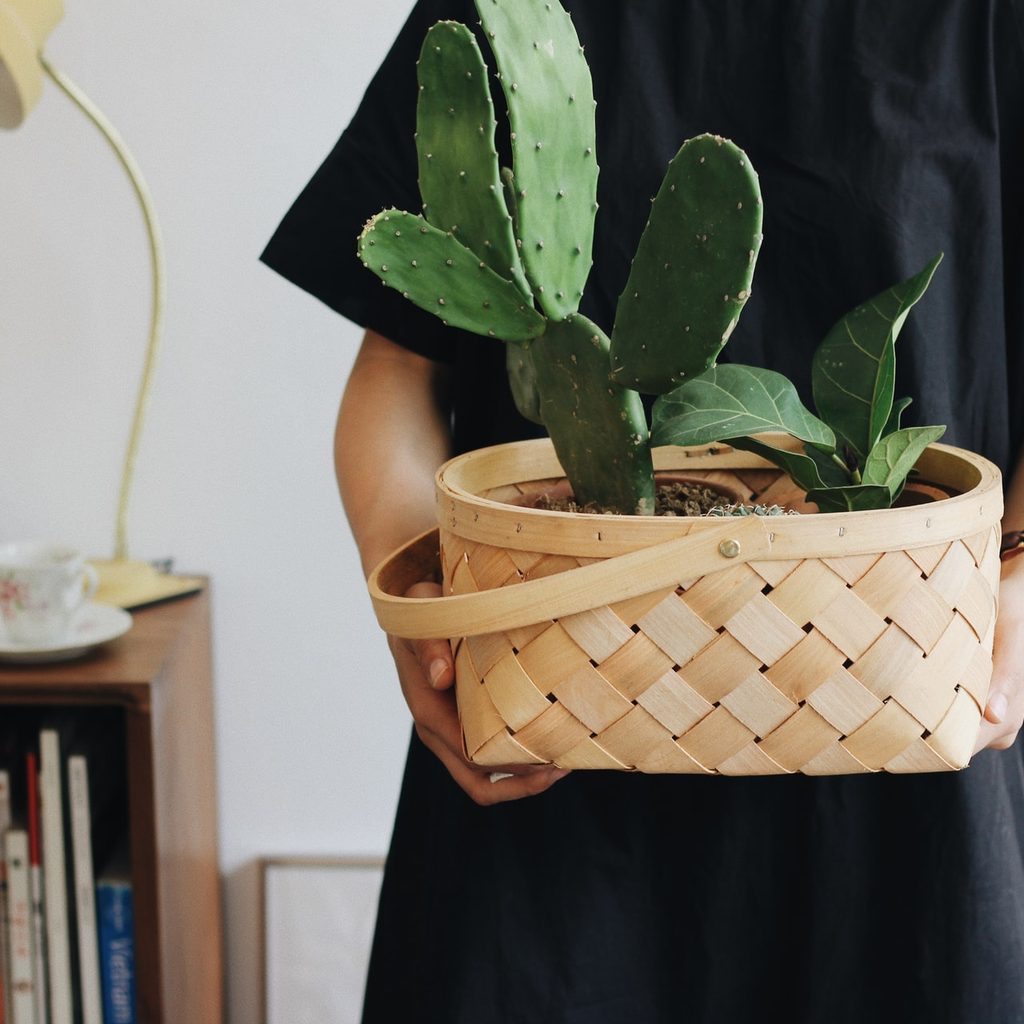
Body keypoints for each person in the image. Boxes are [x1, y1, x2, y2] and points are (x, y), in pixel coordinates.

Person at [261, 1, 1024, 1020]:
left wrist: (1017, 588)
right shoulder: (506, 10)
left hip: (909, 775)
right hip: (548, 785)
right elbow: (393, 378)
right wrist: (421, 605)